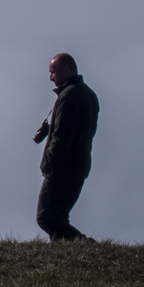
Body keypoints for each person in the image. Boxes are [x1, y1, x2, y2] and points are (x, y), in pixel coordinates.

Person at [34, 52, 99, 241]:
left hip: (62, 168)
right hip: (80, 166)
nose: (50, 77)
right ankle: (62, 260)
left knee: (46, 218)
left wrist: (48, 164)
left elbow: (62, 136)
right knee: (59, 217)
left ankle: (85, 244)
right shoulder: (88, 94)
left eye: (53, 72)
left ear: (67, 69)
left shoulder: (69, 96)